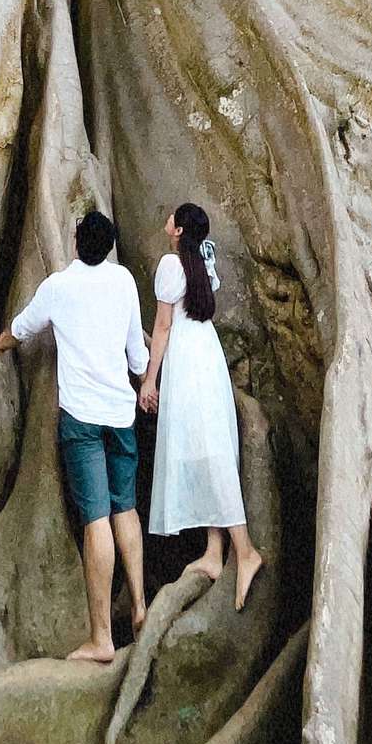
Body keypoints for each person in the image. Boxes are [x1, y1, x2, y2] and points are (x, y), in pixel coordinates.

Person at [0, 207, 149, 662]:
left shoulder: (59, 287)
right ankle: (139, 606)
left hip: (82, 421)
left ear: (76, 242)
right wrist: (142, 374)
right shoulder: (124, 282)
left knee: (96, 520)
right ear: (110, 245)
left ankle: (102, 639)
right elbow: (137, 357)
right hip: (120, 414)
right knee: (126, 510)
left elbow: (21, 328)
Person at [139, 202, 263, 609]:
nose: (167, 219)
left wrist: (150, 378)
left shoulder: (171, 267)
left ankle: (244, 550)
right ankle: (214, 550)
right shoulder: (202, 261)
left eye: (172, 217)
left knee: (208, 453)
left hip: (187, 363)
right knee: (206, 449)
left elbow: (162, 326)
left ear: (177, 230)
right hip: (206, 355)